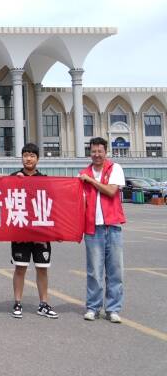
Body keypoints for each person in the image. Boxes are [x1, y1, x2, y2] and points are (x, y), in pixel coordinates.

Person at [79, 136, 126, 323]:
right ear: (89, 152)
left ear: (106, 152)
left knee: (115, 271)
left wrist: (91, 181)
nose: (96, 154)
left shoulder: (114, 168)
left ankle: (113, 309)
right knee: (94, 272)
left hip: (112, 226)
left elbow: (111, 191)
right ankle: (93, 307)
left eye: (100, 151)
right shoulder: (83, 173)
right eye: (93, 151)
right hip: (92, 228)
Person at [9, 143, 58, 319]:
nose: (28, 159)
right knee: (20, 268)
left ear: (37, 159)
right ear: (21, 158)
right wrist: (12, 183)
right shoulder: (14, 177)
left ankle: (43, 304)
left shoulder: (44, 180)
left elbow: (52, 206)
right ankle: (17, 302)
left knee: (42, 269)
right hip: (20, 232)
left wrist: (56, 232)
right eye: (25, 155)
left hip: (40, 233)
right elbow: (3, 199)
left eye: (32, 155)